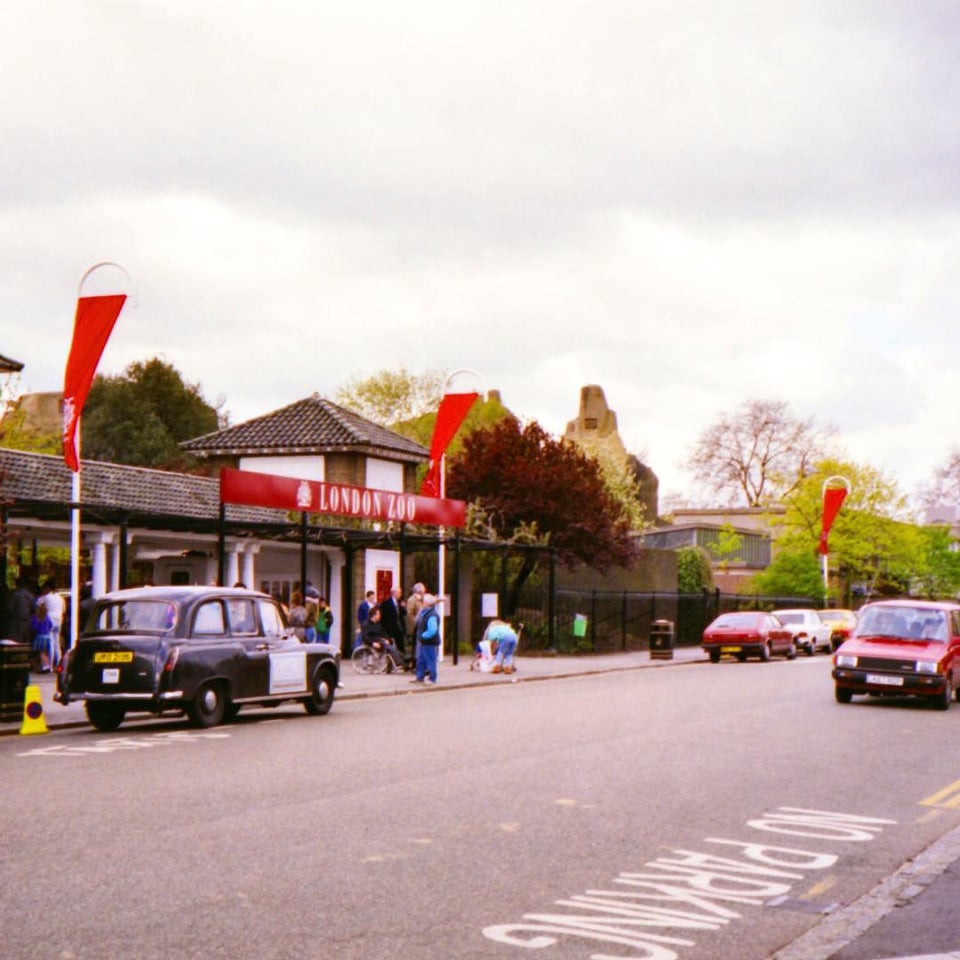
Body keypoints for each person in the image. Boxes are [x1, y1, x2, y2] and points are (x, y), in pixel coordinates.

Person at [359, 606, 407, 671]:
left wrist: (386, 639)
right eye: (379, 614)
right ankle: (399, 663)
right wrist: (373, 643)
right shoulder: (366, 624)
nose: (380, 616)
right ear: (374, 615)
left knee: (392, 647)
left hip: (381, 641)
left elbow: (383, 633)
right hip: (373, 643)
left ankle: (405, 661)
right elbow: (365, 637)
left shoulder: (378, 624)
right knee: (390, 648)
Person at [412, 593, 441, 685]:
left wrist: (423, 635)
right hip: (424, 641)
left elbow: (432, 630)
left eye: (423, 601)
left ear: (427, 603)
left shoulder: (431, 615)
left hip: (429, 641)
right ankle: (419, 677)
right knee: (421, 660)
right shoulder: (424, 612)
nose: (422, 603)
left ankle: (432, 678)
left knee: (430, 659)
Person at [39, 580, 65, 670]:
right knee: (57, 642)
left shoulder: (46, 597)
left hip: (49, 620)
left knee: (50, 643)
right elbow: (64, 609)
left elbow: (37, 604)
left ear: (48, 588)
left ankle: (50, 666)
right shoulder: (60, 597)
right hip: (59, 619)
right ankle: (59, 663)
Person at [378, 587, 407, 654]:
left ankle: (402, 660)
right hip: (391, 628)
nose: (400, 594)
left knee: (401, 645)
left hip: (399, 627)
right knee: (392, 646)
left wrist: (403, 607)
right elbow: (383, 617)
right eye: (399, 593)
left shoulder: (400, 602)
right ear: (394, 593)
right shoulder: (386, 603)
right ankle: (391, 661)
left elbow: (404, 613)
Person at [6, 577, 34, 646]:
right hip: (27, 621)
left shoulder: (15, 594)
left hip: (16, 621)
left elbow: (10, 608)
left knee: (15, 641)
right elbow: (33, 608)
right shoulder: (30, 595)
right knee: (26, 641)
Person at [29, 600, 54, 673]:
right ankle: (47, 665)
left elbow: (33, 627)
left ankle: (45, 667)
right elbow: (51, 625)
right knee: (45, 652)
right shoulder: (47, 617)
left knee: (41, 652)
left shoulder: (35, 617)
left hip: (40, 636)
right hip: (47, 636)